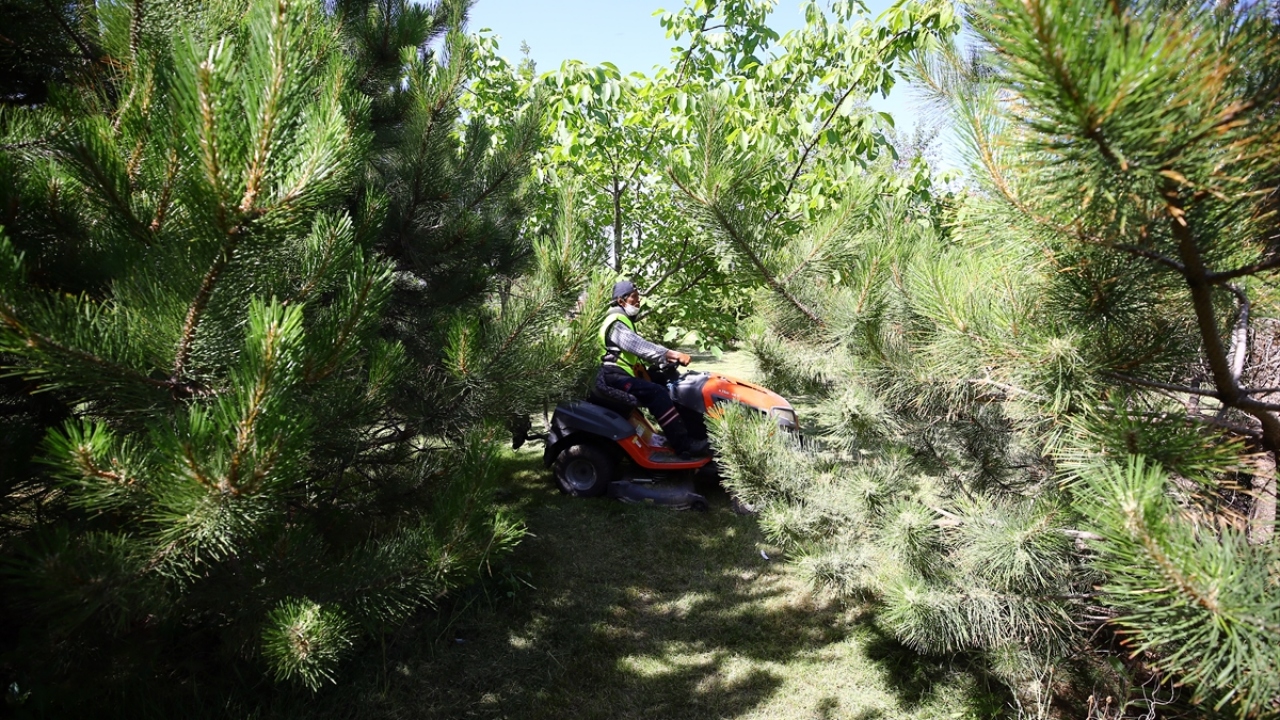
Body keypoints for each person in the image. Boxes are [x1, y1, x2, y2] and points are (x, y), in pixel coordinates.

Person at [599, 280, 710, 457]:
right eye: (634, 298)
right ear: (621, 301)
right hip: (613, 377)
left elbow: (634, 356)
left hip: (623, 374)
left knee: (668, 381)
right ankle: (683, 445)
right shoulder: (615, 322)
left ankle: (695, 432)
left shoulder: (624, 320)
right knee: (657, 392)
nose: (638, 302)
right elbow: (640, 347)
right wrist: (672, 354)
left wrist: (663, 364)